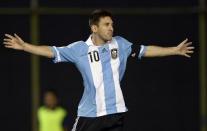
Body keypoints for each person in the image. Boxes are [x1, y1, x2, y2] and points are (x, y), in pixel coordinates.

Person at [3, 9, 194, 131]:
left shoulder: (121, 44)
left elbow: (146, 50)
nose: (111, 28)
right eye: (106, 24)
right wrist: (26, 46)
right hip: (90, 115)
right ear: (94, 28)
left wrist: (174, 50)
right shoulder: (79, 49)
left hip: (115, 113)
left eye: (112, 24)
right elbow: (51, 51)